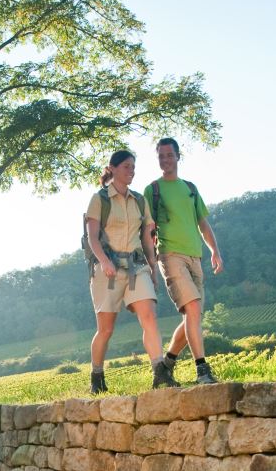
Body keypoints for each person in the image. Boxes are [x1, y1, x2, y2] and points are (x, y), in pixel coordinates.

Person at [85, 149, 177, 394]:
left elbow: (147, 238)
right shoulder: (100, 199)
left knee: (149, 316)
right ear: (112, 169)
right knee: (106, 329)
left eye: (133, 167)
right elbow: (91, 237)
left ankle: (159, 372)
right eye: (126, 166)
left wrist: (153, 267)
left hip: (137, 267)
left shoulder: (139, 200)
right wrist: (103, 260)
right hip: (108, 269)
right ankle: (96, 376)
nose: (131, 171)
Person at [144, 137, 224, 384]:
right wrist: (151, 264)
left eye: (169, 155)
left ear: (178, 156)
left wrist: (215, 250)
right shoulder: (152, 190)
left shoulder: (190, 188)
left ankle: (166, 365)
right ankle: (202, 370)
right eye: (161, 156)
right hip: (169, 255)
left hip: (196, 256)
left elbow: (202, 222)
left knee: (194, 316)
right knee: (191, 309)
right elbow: (147, 230)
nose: (165, 160)